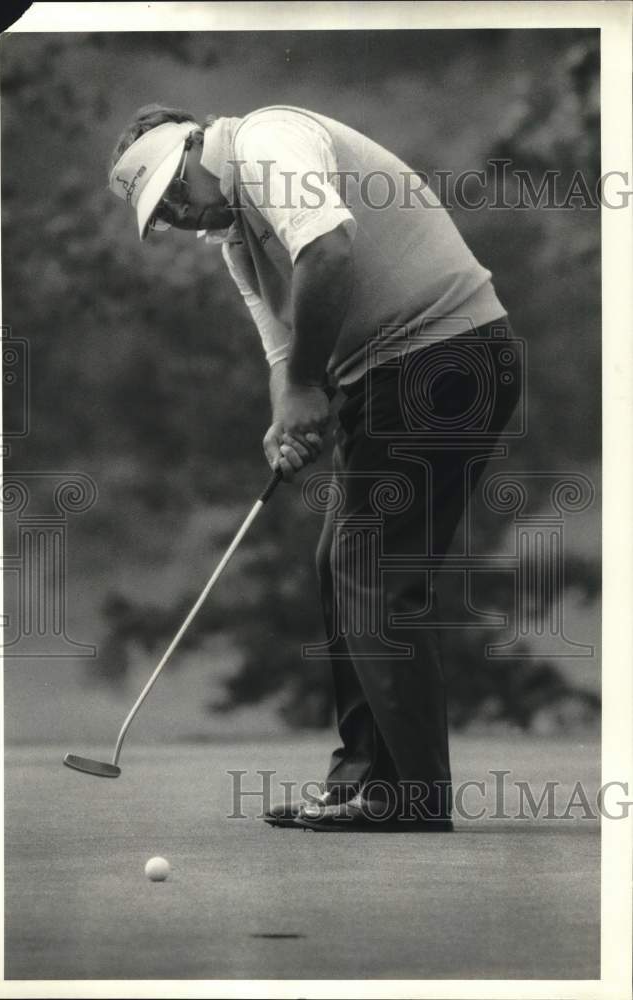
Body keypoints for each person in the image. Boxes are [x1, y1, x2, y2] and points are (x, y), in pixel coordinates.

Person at [108, 103, 520, 831]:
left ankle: (408, 796)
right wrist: (287, 413)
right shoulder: (239, 239)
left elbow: (327, 249)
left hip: (443, 358)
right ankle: (366, 779)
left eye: (175, 189)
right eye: (163, 212)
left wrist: (306, 388)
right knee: (346, 561)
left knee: (372, 567)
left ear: (198, 145)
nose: (179, 213)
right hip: (392, 373)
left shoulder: (268, 138)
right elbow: (283, 351)